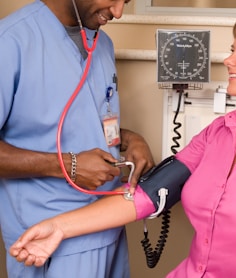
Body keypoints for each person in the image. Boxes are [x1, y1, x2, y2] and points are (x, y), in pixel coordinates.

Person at [9, 9, 236, 277]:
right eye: (232, 49)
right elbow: (147, 195)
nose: (228, 59)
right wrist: (59, 227)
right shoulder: (220, 131)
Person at [0, 0, 155, 277]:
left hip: (109, 226)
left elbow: (81, 120)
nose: (118, 13)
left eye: (127, 2)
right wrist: (68, 166)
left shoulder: (102, 43)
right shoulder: (10, 42)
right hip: (49, 241)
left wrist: (131, 139)